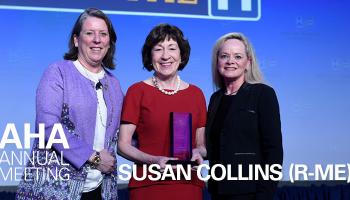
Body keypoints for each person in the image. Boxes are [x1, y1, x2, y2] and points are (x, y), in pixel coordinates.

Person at [16, 8, 123, 200]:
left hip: (101, 189)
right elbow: (47, 126)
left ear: (109, 42)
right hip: (56, 188)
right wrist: (95, 158)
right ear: (76, 40)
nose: (97, 39)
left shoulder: (114, 84)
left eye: (103, 34)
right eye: (89, 33)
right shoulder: (58, 72)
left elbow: (122, 135)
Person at [117, 23, 207, 200]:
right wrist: (155, 160)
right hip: (148, 186)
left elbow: (202, 146)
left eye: (172, 48)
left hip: (188, 185)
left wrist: (198, 153)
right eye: (158, 49)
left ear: (181, 55)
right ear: (150, 56)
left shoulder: (196, 94)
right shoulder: (137, 91)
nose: (166, 56)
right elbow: (123, 145)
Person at [206, 32, 283, 200]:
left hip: (252, 192)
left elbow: (274, 151)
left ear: (248, 62)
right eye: (224, 56)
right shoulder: (215, 99)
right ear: (217, 61)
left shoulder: (263, 94)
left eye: (238, 56)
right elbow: (218, 144)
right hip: (218, 191)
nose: (230, 61)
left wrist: (264, 195)